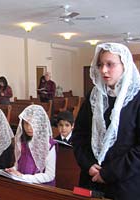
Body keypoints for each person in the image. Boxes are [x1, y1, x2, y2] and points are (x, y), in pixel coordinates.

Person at [72, 43, 140, 200]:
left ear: (125, 65)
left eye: (110, 64)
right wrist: (88, 164)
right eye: (100, 64)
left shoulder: (137, 98)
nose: (103, 70)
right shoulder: (94, 96)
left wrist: (108, 173)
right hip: (91, 179)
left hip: (124, 184)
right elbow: (79, 135)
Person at [6, 105, 56, 185]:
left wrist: (24, 177)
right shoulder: (22, 142)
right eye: (26, 123)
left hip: (41, 188)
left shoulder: (49, 145)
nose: (29, 127)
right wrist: (12, 170)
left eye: (33, 123)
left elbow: (49, 175)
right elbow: (18, 164)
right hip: (22, 182)